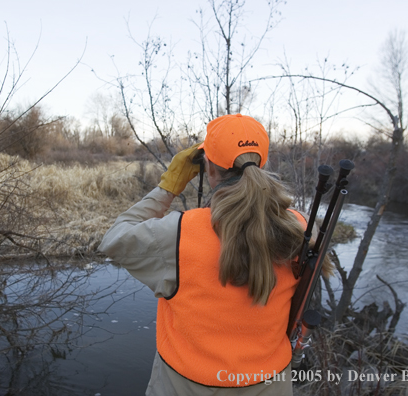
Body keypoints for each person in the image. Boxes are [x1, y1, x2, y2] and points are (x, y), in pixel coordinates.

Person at [98, 114, 309, 396]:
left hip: (183, 386)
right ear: (262, 163)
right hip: (270, 384)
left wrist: (168, 187)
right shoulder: (299, 227)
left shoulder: (179, 232)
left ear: (208, 168)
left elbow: (114, 240)